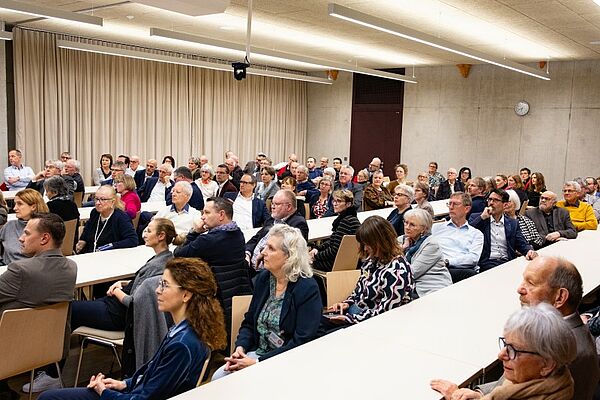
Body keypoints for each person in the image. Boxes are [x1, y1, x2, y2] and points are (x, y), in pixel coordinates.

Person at [39, 258, 227, 400]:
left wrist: (104, 392)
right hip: (132, 391)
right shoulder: (185, 330)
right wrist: (123, 383)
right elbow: (154, 378)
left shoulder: (182, 344)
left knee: (48, 398)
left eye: (164, 285)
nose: (157, 291)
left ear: (186, 294)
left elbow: (143, 398)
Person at [439, 257, 599, 400]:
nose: (520, 289)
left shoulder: (570, 354)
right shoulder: (558, 335)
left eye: (531, 283)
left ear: (560, 297)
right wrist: (481, 394)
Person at [212, 225, 321, 380]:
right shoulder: (264, 279)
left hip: (288, 363)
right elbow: (249, 322)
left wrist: (257, 363)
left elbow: (302, 341)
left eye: (270, 248)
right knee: (218, 378)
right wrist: (240, 348)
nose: (263, 253)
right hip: (256, 353)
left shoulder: (307, 288)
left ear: (289, 256)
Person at [431, 303, 576, 400]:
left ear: (547, 364)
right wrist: (478, 396)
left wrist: (455, 395)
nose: (501, 355)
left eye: (513, 349)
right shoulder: (550, 382)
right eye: (505, 344)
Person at [0, 213, 77, 397]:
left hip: (9, 348)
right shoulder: (71, 268)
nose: (20, 237)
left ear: (44, 238)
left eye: (26, 233)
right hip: (47, 348)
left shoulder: (21, 270)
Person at [70, 218, 175, 333]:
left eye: (149, 231)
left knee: (70, 308)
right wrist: (123, 282)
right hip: (117, 307)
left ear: (161, 236)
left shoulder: (155, 266)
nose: (144, 234)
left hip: (119, 313)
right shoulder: (165, 259)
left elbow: (133, 302)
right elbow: (144, 286)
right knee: (76, 307)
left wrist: (116, 291)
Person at [324, 216, 414, 326]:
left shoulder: (397, 271)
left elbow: (385, 313)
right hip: (357, 312)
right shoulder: (372, 260)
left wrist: (350, 319)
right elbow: (359, 290)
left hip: (372, 322)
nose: (365, 249)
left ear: (382, 242)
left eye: (368, 244)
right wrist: (347, 303)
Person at [469, 189, 537, 272]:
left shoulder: (512, 223)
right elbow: (468, 234)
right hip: (487, 263)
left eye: (495, 200)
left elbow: (521, 243)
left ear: (505, 205)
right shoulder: (477, 217)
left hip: (508, 262)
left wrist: (529, 251)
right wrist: (482, 218)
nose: (491, 203)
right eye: (490, 199)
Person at [246, 190, 309, 272]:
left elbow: (289, 255)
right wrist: (247, 253)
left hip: (270, 271)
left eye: (276, 204)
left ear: (289, 207)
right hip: (250, 264)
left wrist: (263, 255)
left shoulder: (298, 224)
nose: (272, 206)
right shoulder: (272, 219)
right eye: (272, 203)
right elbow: (257, 237)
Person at [173, 196, 245, 266]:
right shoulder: (239, 234)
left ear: (221, 215)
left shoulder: (207, 240)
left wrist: (194, 232)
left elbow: (178, 254)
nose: (202, 217)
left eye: (207, 212)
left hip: (213, 278)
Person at [399, 209, 452, 297]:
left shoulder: (431, 244)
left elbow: (412, 273)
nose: (407, 227)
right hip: (409, 287)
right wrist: (403, 248)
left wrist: (401, 251)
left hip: (431, 289)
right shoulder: (401, 239)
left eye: (412, 225)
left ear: (423, 229)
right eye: (406, 222)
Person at [431, 192, 483, 281]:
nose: (451, 207)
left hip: (461, 270)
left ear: (467, 209)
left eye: (455, 204)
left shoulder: (476, 234)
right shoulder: (436, 228)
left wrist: (448, 262)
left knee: (470, 274)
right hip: (438, 269)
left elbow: (473, 258)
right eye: (449, 203)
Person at [75, 185, 138, 254]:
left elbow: (132, 240)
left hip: (110, 256)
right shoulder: (95, 213)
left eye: (102, 199)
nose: (97, 203)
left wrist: (111, 246)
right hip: (91, 253)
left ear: (113, 202)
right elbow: (87, 229)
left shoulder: (121, 217)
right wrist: (83, 240)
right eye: (96, 199)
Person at [309, 189, 360, 272]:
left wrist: (315, 256)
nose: (335, 204)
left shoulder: (346, 222)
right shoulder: (349, 218)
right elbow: (333, 241)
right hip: (342, 261)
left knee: (304, 264)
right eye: (334, 201)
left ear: (348, 204)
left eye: (339, 201)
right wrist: (318, 248)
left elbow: (334, 251)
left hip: (338, 263)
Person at [0, 189, 48, 265]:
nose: (14, 208)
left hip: (34, 271)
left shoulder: (45, 228)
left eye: (20, 204)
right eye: (15, 204)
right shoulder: (9, 226)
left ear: (33, 207)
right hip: (8, 271)